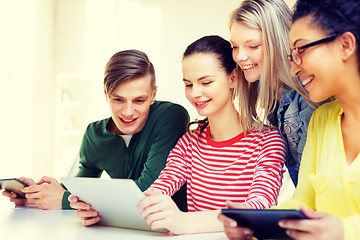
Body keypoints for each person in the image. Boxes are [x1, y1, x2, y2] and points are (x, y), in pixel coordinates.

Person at [107, 35, 286, 234]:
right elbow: (157, 191)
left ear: (232, 78)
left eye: (206, 82)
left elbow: (259, 208)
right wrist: (100, 210)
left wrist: (184, 221)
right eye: (189, 84)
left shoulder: (268, 141)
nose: (195, 94)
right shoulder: (189, 143)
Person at [219, 0, 360, 239]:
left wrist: (343, 230)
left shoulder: (308, 106)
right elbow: (303, 201)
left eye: (301, 50)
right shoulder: (322, 119)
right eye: (292, 53)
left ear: (346, 45)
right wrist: (257, 223)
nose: (294, 67)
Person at [1, 49, 189, 211]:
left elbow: (146, 192)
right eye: (118, 99)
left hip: (170, 231)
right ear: (105, 93)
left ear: (153, 95)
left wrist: (65, 200)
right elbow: (76, 189)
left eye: (139, 100)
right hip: (122, 230)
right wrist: (37, 195)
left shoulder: (170, 117)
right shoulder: (94, 134)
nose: (128, 112)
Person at [229, 0, 318, 187]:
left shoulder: (308, 96)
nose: (240, 57)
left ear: (277, 42)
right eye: (235, 47)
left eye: (253, 46)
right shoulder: (270, 98)